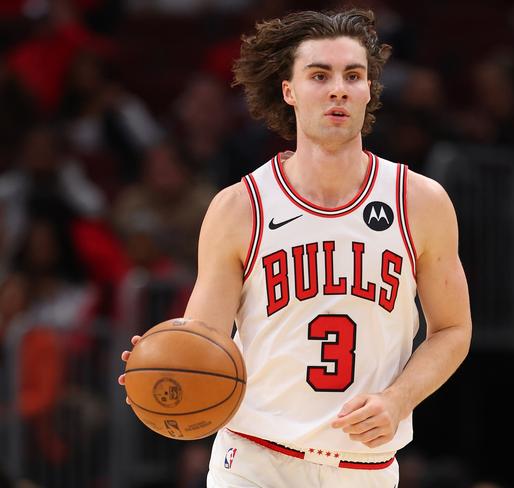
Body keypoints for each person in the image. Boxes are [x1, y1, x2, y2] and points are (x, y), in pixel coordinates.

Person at [118, 8, 471, 488]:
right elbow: (205, 335)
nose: (338, 88)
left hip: (363, 466)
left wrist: (398, 399)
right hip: (255, 460)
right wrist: (167, 356)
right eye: (319, 75)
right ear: (289, 91)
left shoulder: (420, 202)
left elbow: (452, 329)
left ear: (370, 90)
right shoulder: (240, 207)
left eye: (353, 75)